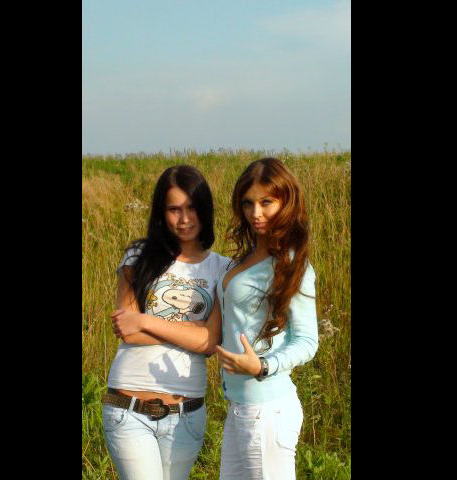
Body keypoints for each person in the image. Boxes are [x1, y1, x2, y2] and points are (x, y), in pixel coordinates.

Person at [112, 157, 319, 480]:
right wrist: (191, 331)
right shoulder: (242, 261)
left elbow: (306, 339)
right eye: (248, 203)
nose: (256, 213)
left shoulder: (291, 264)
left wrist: (263, 366)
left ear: (286, 202)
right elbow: (133, 328)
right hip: (239, 407)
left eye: (266, 202)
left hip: (267, 405)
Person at [103, 164, 230, 480]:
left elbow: (211, 342)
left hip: (186, 414)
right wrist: (194, 333)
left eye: (192, 208)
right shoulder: (139, 255)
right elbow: (128, 331)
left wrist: (145, 321)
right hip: (129, 408)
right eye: (174, 209)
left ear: (205, 209)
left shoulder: (222, 268)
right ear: (161, 213)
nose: (184, 219)